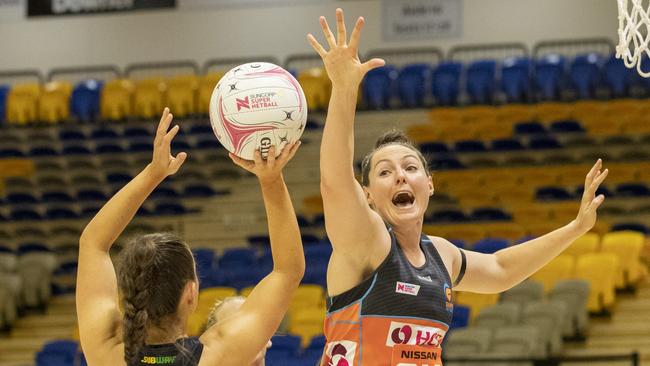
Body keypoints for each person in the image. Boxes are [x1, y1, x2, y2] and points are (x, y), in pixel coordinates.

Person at [307, 9, 608, 365]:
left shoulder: (443, 255)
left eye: (410, 167)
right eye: (385, 172)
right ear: (368, 195)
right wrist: (344, 88)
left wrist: (575, 229)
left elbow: (500, 270)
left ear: (429, 185)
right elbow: (335, 182)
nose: (401, 176)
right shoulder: (367, 240)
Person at [76, 108, 305, 366]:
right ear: (190, 293)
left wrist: (152, 173)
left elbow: (93, 243)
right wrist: (271, 179)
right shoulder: (216, 355)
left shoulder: (106, 353)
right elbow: (288, 270)